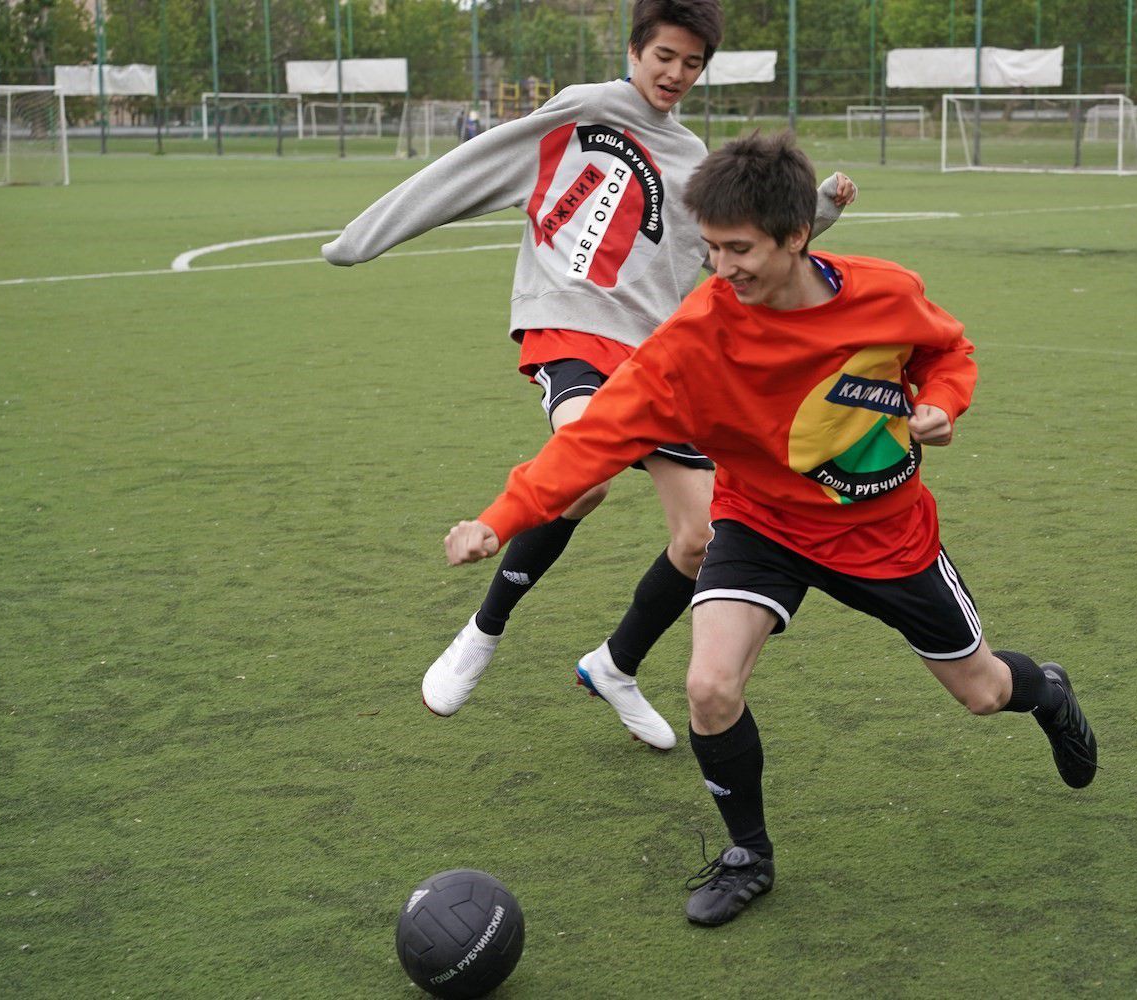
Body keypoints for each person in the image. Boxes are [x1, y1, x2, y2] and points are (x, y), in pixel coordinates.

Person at [442, 132, 1099, 928]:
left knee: (982, 691)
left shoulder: (886, 292)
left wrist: (942, 403)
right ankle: (748, 852)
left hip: (883, 537)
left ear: (797, 236)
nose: (722, 269)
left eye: (740, 249)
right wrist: (499, 517)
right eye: (710, 248)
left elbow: (947, 351)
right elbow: (594, 436)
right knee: (709, 687)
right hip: (762, 525)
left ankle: (1049, 692)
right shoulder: (695, 337)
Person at [321, 0, 857, 750]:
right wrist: (363, 238)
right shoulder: (579, 114)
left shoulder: (693, 157)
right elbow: (467, 169)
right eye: (664, 55)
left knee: (702, 536)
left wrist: (820, 214)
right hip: (569, 324)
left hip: (656, 355)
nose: (675, 73)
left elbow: (728, 252)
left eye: (691, 63)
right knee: (584, 471)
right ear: (634, 50)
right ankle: (484, 629)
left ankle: (615, 663)